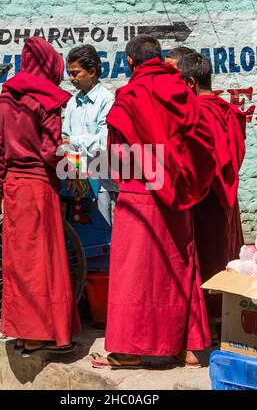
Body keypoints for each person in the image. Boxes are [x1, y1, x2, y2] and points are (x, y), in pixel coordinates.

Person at [91, 35, 217, 370]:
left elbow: (118, 153)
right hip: (176, 196)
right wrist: (185, 179)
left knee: (134, 275)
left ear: (131, 63)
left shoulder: (128, 97)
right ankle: (188, 349)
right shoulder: (182, 92)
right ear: (160, 59)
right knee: (179, 268)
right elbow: (203, 140)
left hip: (138, 195)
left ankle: (128, 351)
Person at [0, 37, 82, 356]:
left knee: (18, 264)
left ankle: (20, 333)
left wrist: (5, 186)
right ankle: (42, 333)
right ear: (50, 66)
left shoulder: (4, 99)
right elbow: (49, 150)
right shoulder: (47, 99)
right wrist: (70, 172)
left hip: (14, 188)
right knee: (45, 263)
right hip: (38, 187)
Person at [178, 52, 246, 343]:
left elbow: (197, 159)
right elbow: (236, 151)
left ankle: (206, 322)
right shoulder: (228, 109)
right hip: (228, 194)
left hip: (204, 196)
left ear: (190, 82)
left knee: (205, 256)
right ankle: (227, 317)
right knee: (227, 250)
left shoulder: (196, 111)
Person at [62, 45, 117, 226]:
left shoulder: (107, 100)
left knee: (104, 233)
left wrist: (73, 141)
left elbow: (102, 143)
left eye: (75, 73)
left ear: (92, 71)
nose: (71, 78)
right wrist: (74, 174)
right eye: (70, 73)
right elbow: (64, 140)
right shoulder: (72, 103)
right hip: (80, 181)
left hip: (103, 183)